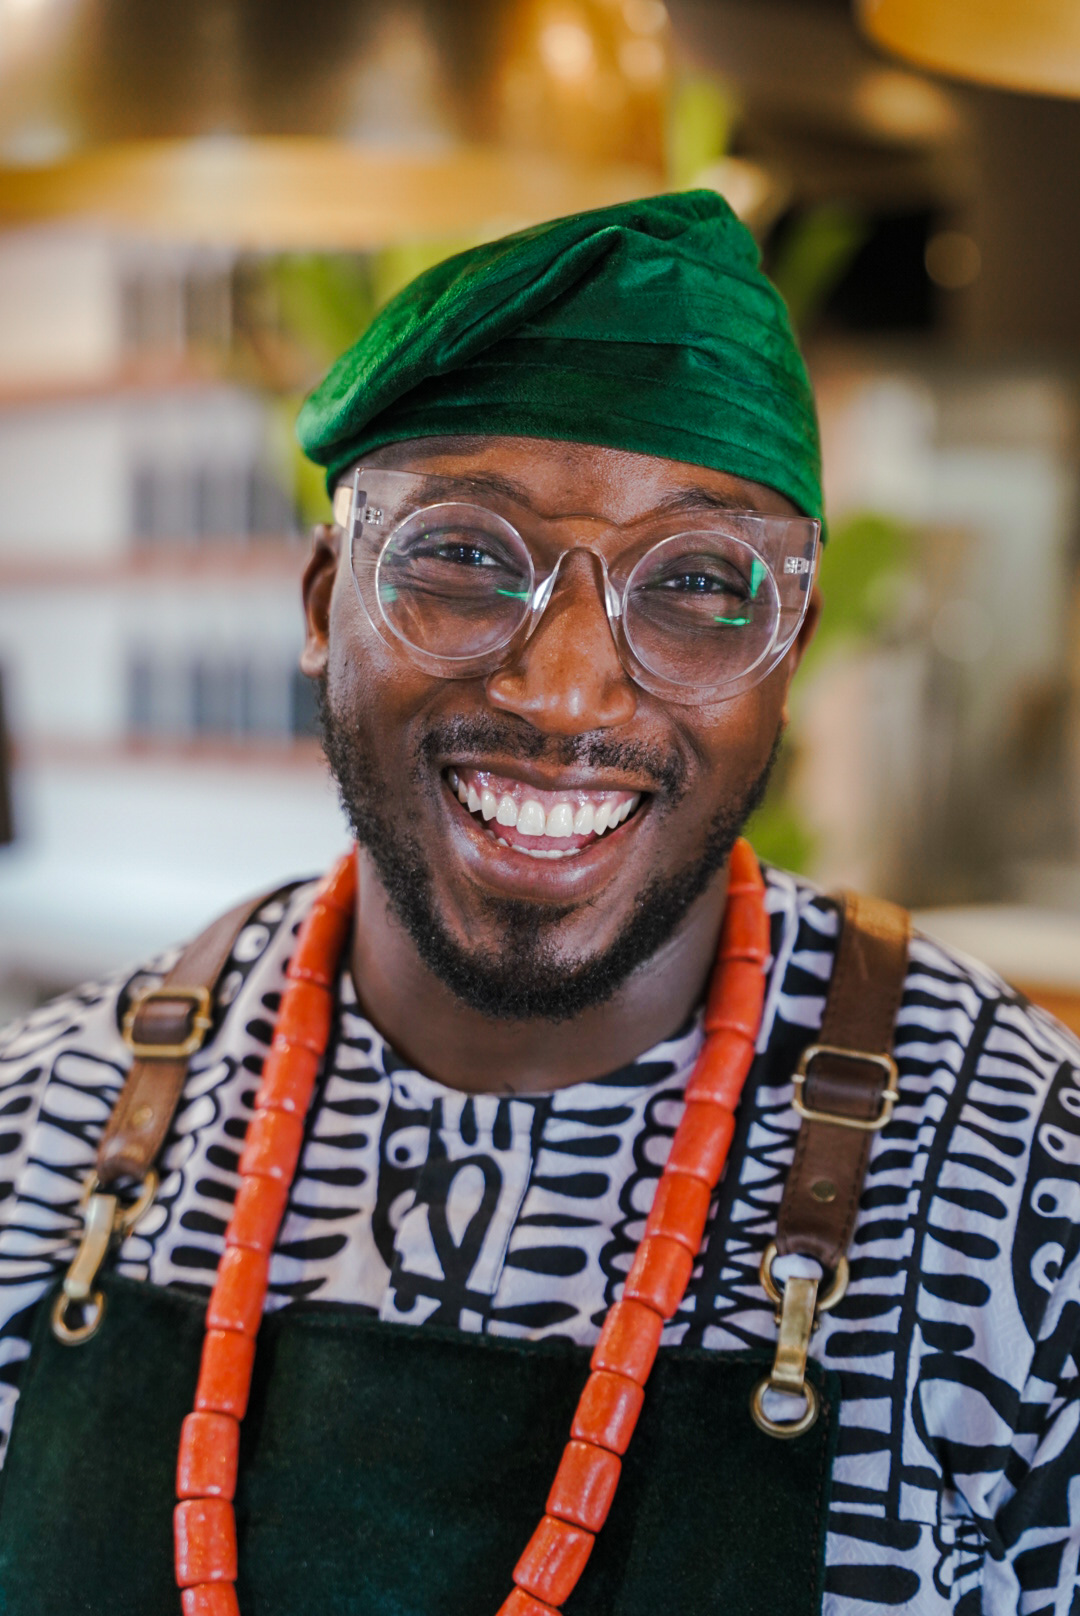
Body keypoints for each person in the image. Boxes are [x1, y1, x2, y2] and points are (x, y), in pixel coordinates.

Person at [0, 191, 1077, 1616]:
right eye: (462, 557)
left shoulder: (1029, 1203)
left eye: (698, 584)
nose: (564, 686)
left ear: (790, 655)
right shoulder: (38, 1134)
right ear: (325, 602)